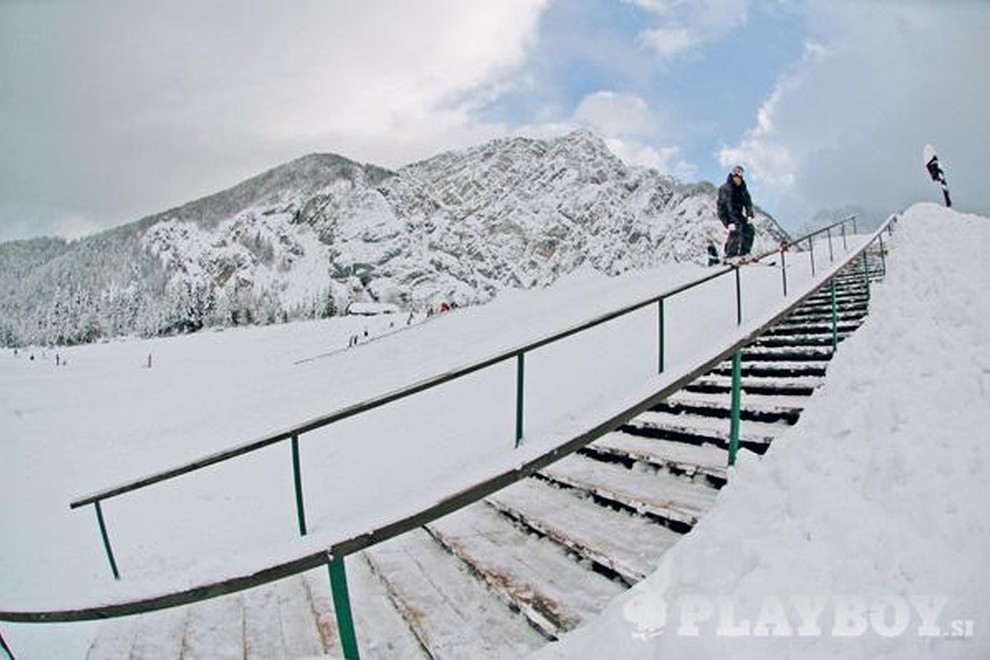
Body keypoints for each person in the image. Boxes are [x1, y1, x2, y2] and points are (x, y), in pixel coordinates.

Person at [716, 165, 755, 260]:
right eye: (736, 177)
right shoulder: (725, 188)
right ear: (733, 176)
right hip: (729, 215)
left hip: (738, 214)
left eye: (739, 177)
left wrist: (749, 215)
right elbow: (720, 207)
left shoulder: (743, 189)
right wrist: (727, 223)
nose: (737, 180)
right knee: (736, 230)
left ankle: (744, 253)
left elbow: (748, 203)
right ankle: (730, 255)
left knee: (749, 228)